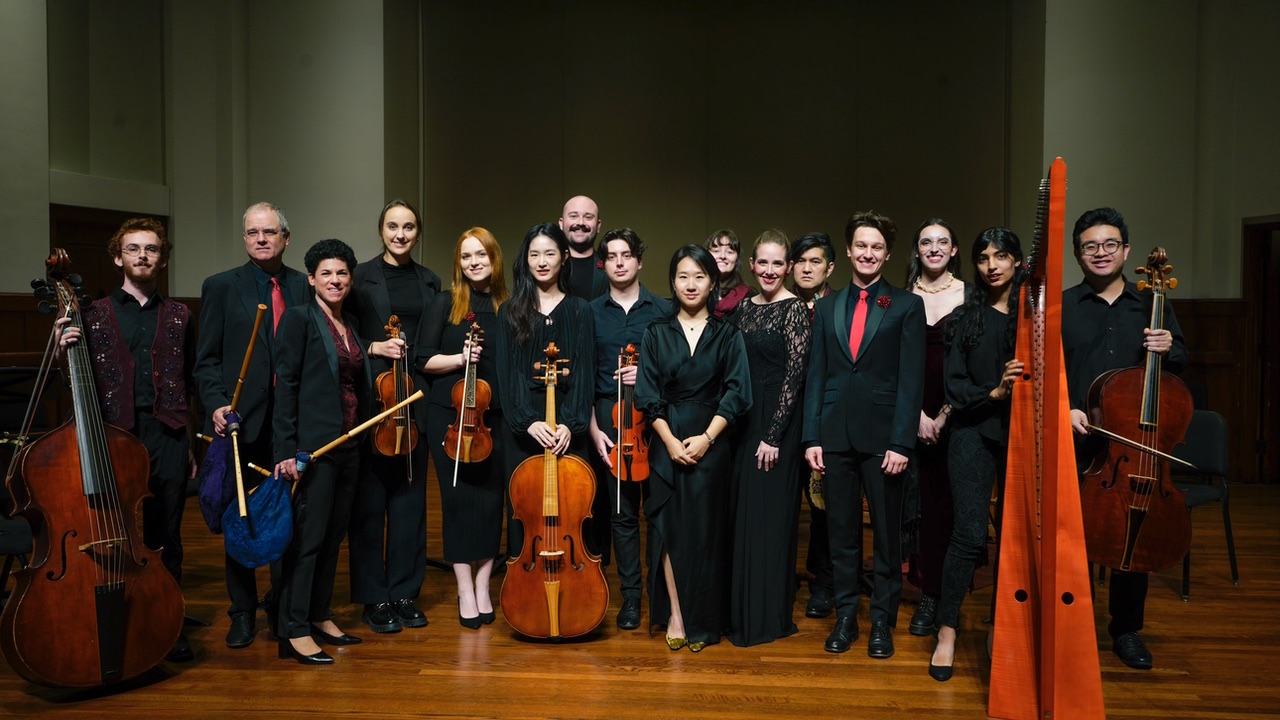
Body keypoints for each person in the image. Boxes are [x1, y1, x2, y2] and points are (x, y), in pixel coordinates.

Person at [55, 217, 196, 662]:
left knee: (165, 535)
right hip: (112, 435)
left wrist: (189, 443)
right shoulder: (91, 313)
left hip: (168, 433)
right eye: (133, 248)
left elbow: (187, 381)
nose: (142, 256)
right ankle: (118, 620)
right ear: (118, 257)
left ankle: (167, 623)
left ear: (161, 258)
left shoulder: (179, 314)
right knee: (116, 532)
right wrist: (63, 350)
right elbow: (74, 382)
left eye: (151, 249)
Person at [1063, 207, 1187, 671]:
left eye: (1110, 244)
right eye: (1090, 246)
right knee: (1070, 538)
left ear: (1126, 251)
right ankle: (1069, 622)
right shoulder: (1064, 306)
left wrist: (1168, 348)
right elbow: (1048, 368)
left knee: (1131, 536)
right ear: (1078, 254)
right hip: (1078, 437)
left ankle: (1126, 630)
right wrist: (1065, 407)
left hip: (1134, 445)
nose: (1100, 253)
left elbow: (1180, 361)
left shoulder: (1151, 303)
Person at [802, 211, 925, 658]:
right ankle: (846, 617)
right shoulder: (826, 306)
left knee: (888, 538)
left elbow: (911, 382)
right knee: (841, 533)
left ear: (886, 254)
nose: (868, 253)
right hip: (833, 436)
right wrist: (811, 436)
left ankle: (882, 624)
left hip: (883, 440)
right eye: (861, 245)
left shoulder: (907, 306)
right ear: (849, 251)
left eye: (877, 247)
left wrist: (901, 442)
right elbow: (816, 375)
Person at [272, 239, 400, 665]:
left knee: (332, 539)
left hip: (350, 447)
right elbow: (285, 389)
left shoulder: (350, 326)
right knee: (307, 541)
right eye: (326, 273)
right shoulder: (298, 320)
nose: (335, 280)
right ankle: (293, 628)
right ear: (311, 279)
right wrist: (287, 451)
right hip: (314, 449)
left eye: (342, 273)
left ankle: (319, 614)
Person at [194, 202, 312, 649]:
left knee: (287, 518)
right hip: (241, 424)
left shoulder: (306, 286)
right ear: (244, 239)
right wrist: (217, 405)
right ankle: (242, 611)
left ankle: (282, 606)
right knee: (238, 518)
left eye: (269, 232)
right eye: (252, 233)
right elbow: (205, 361)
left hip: (292, 424)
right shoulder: (221, 287)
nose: (260, 239)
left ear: (286, 237)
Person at [635, 245, 751, 653]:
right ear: (672, 281)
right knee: (670, 533)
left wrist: (706, 439)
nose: (691, 284)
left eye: (700, 276)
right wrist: (668, 442)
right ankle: (678, 616)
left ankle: (705, 619)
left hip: (712, 444)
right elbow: (648, 396)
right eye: (683, 276)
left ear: (713, 282)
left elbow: (737, 393)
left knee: (706, 534)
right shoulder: (655, 333)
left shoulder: (728, 335)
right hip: (667, 443)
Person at [927, 228, 1025, 682]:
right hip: (971, 432)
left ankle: (998, 623)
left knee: (1014, 537)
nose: (992, 265)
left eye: (1001, 256)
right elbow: (955, 387)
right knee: (968, 534)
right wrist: (996, 391)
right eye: (983, 257)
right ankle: (947, 630)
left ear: (1018, 261)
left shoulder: (1034, 318)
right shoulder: (964, 318)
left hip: (1023, 436)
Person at [346, 200, 441, 635]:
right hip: (375, 400)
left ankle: (404, 591)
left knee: (409, 499)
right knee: (370, 502)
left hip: (415, 398)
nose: (400, 234)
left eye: (408, 227)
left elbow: (431, 340)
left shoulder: (430, 280)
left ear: (418, 232)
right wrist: (374, 347)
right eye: (392, 226)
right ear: (380, 229)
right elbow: (343, 332)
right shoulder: (359, 277)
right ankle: (373, 596)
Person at [726, 230, 812, 647]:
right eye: (763, 262)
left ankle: (767, 617)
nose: (770, 270)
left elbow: (795, 380)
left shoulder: (795, 309)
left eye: (779, 263)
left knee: (770, 522)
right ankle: (742, 612)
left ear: (789, 267)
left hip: (776, 428)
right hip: (744, 425)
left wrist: (774, 436)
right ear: (751, 265)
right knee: (744, 519)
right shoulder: (743, 309)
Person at [421, 227, 509, 629]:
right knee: (457, 503)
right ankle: (463, 588)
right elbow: (424, 359)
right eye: (466, 256)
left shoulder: (509, 305)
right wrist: (459, 358)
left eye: (481, 255)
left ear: (494, 259)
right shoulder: (445, 303)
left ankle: (483, 583)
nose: (474, 262)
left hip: (495, 418)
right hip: (451, 418)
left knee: (491, 504)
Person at [496, 223, 596, 567]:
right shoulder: (509, 312)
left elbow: (584, 372)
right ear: (525, 260)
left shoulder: (582, 311)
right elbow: (509, 376)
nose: (541, 261)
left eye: (550, 253)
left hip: (569, 429)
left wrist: (571, 423)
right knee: (526, 513)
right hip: (525, 430)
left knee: (570, 511)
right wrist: (528, 423)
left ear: (564, 258)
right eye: (534, 253)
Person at [586, 228, 671, 630]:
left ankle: (659, 594)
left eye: (627, 255)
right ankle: (631, 599)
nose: (620, 262)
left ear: (639, 261)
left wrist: (648, 375)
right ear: (604, 264)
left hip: (653, 417)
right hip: (607, 415)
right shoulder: (590, 311)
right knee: (620, 513)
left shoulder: (663, 310)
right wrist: (591, 426)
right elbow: (583, 375)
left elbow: (678, 369)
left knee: (655, 511)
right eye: (612, 256)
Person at [904, 218, 967, 636]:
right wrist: (916, 415)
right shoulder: (901, 297)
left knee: (952, 504)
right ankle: (927, 593)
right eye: (926, 241)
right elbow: (889, 367)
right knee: (919, 507)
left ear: (954, 250)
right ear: (917, 250)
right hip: (911, 414)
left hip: (958, 412)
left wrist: (944, 414)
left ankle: (949, 596)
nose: (934, 248)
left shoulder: (970, 294)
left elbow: (975, 363)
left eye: (943, 241)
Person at [789, 232, 838, 619]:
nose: (807, 268)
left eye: (815, 262)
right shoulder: (780, 305)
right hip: (784, 422)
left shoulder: (838, 306)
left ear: (829, 268)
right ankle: (782, 576)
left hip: (823, 419)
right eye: (801, 261)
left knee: (823, 507)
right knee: (784, 504)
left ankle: (824, 582)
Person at [559, 195, 609, 301]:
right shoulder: (549, 266)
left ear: (598, 226)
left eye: (588, 217)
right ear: (561, 224)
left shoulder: (611, 265)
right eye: (573, 216)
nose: (580, 222)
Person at [706, 229, 756, 318]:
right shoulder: (697, 293)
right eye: (716, 251)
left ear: (737, 259)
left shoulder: (749, 297)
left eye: (729, 252)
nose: (722, 256)